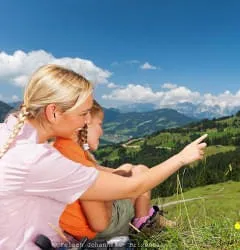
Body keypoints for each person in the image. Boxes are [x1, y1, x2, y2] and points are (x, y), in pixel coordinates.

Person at [0, 64, 207, 249]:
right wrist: (181, 157)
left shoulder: (10, 133)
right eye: (83, 114)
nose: (85, 122)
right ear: (53, 112)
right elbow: (134, 188)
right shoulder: (36, 159)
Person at [54, 100, 172, 241]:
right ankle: (143, 224)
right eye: (100, 124)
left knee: (127, 167)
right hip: (95, 232)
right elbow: (100, 224)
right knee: (141, 170)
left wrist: (120, 175)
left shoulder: (63, 149)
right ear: (84, 124)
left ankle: (145, 214)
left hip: (75, 225)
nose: (102, 131)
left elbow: (98, 170)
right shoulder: (80, 164)